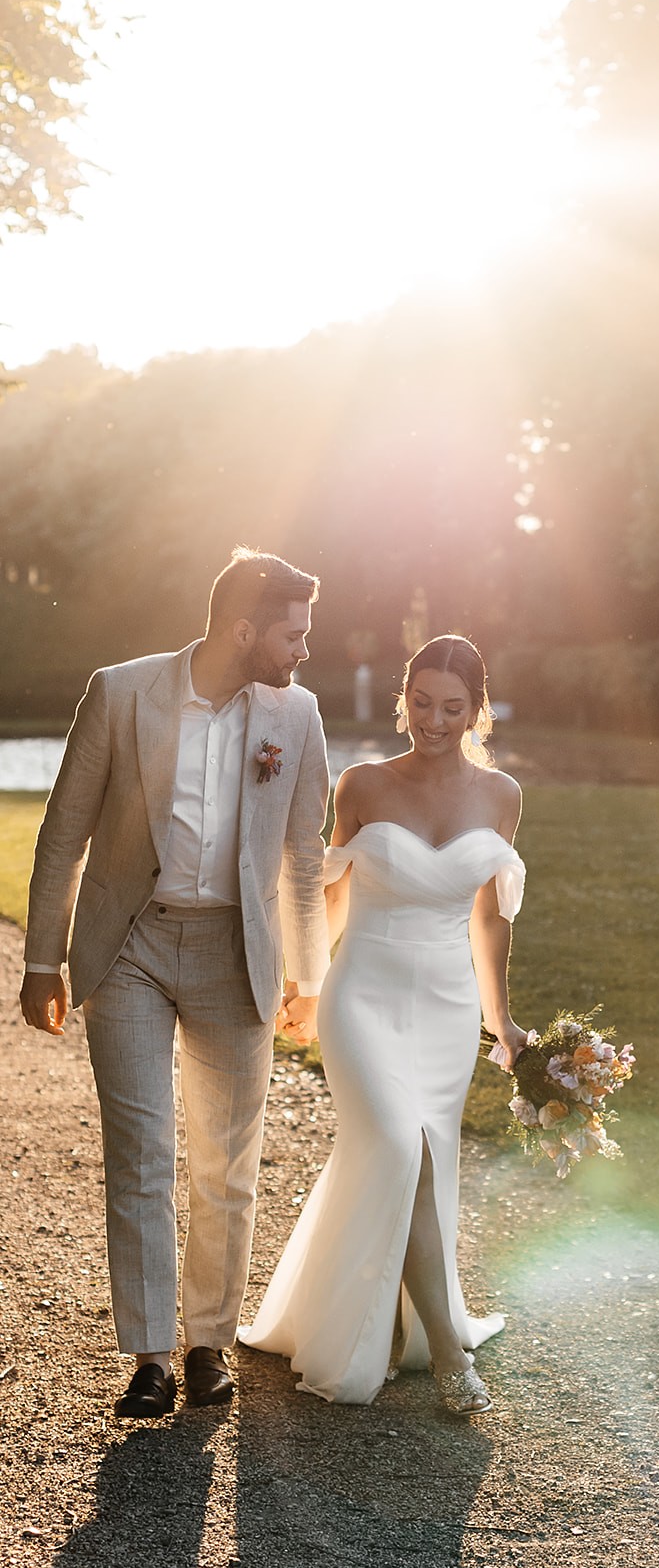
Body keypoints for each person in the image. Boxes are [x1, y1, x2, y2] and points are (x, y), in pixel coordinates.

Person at [19, 547, 332, 1419]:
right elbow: (62, 835)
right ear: (243, 629)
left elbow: (305, 855)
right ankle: (152, 1354)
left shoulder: (296, 714)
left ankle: (208, 1344)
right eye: (292, 634)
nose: (304, 650)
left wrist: (307, 975)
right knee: (144, 1152)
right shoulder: (121, 694)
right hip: (130, 950)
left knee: (226, 1163)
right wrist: (44, 961)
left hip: (235, 954)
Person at [239, 633, 529, 1413]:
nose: (434, 720)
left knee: (414, 1162)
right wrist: (304, 983)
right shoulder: (361, 784)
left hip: (444, 1007)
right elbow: (329, 893)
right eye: (422, 702)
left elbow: (490, 921)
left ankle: (369, 1316)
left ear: (477, 711)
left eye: (453, 707)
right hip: (361, 993)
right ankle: (445, 1356)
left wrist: (501, 1021)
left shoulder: (501, 797)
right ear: (404, 698)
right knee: (401, 1148)